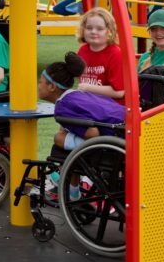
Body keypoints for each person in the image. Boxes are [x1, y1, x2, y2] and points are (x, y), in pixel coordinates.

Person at [38, 52, 126, 201]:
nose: (38, 86)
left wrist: (62, 136)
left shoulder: (62, 107)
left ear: (52, 87)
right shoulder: (80, 95)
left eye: (41, 82)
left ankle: (66, 184)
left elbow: (93, 133)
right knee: (65, 136)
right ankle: (73, 191)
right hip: (126, 126)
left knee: (59, 139)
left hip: (116, 141)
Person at [75, 8, 125, 103]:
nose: (93, 31)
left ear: (110, 31)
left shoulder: (115, 54)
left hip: (112, 107)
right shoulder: (82, 50)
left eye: (100, 29)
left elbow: (119, 92)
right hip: (90, 102)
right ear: (83, 30)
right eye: (89, 28)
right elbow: (79, 76)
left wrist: (88, 88)